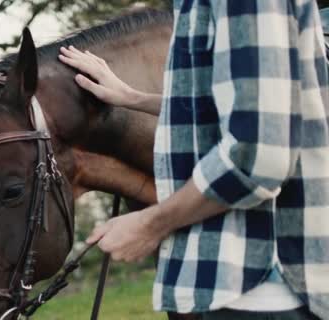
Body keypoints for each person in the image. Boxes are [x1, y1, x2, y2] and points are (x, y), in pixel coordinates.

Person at [59, 1, 328, 319]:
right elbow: (231, 109)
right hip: (241, 285)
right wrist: (131, 97)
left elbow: (260, 153)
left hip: (265, 290)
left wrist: (150, 224)